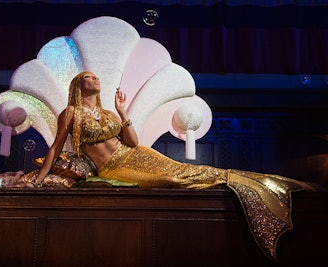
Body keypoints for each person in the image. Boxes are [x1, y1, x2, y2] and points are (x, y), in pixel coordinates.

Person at [26, 71, 316, 260]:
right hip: (113, 168)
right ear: (78, 84)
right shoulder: (71, 112)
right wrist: (39, 179)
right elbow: (54, 147)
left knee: (185, 170)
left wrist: (122, 111)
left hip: (135, 154)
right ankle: (244, 184)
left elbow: (132, 140)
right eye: (88, 77)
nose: (95, 79)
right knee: (174, 182)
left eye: (95, 76)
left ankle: (257, 183)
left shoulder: (107, 113)